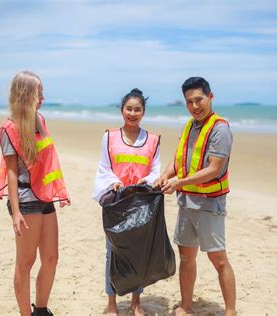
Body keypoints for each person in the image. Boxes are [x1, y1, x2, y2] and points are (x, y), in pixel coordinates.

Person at [153, 77, 236, 316]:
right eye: (189, 102)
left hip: (209, 204)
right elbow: (179, 159)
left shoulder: (220, 128)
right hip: (186, 203)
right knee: (186, 258)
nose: (194, 106)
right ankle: (186, 305)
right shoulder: (189, 126)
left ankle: (231, 311)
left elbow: (214, 169)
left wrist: (179, 182)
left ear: (210, 97)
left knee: (218, 259)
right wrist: (165, 175)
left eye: (198, 99)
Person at [0, 70, 70, 316]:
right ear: (27, 94)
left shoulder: (40, 119)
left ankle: (41, 310)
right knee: (25, 263)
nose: (43, 97)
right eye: (40, 92)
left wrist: (57, 189)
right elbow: (11, 172)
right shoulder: (9, 128)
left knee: (51, 258)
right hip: (25, 201)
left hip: (45, 198)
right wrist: (15, 212)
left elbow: (46, 162)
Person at [92, 88, 161, 316]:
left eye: (137, 109)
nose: (133, 113)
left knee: (138, 252)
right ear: (122, 110)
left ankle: (135, 302)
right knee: (112, 252)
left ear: (143, 112)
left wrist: (148, 179)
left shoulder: (152, 140)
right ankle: (112, 303)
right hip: (117, 203)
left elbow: (155, 170)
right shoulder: (109, 136)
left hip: (141, 202)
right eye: (129, 108)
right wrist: (113, 182)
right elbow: (104, 167)